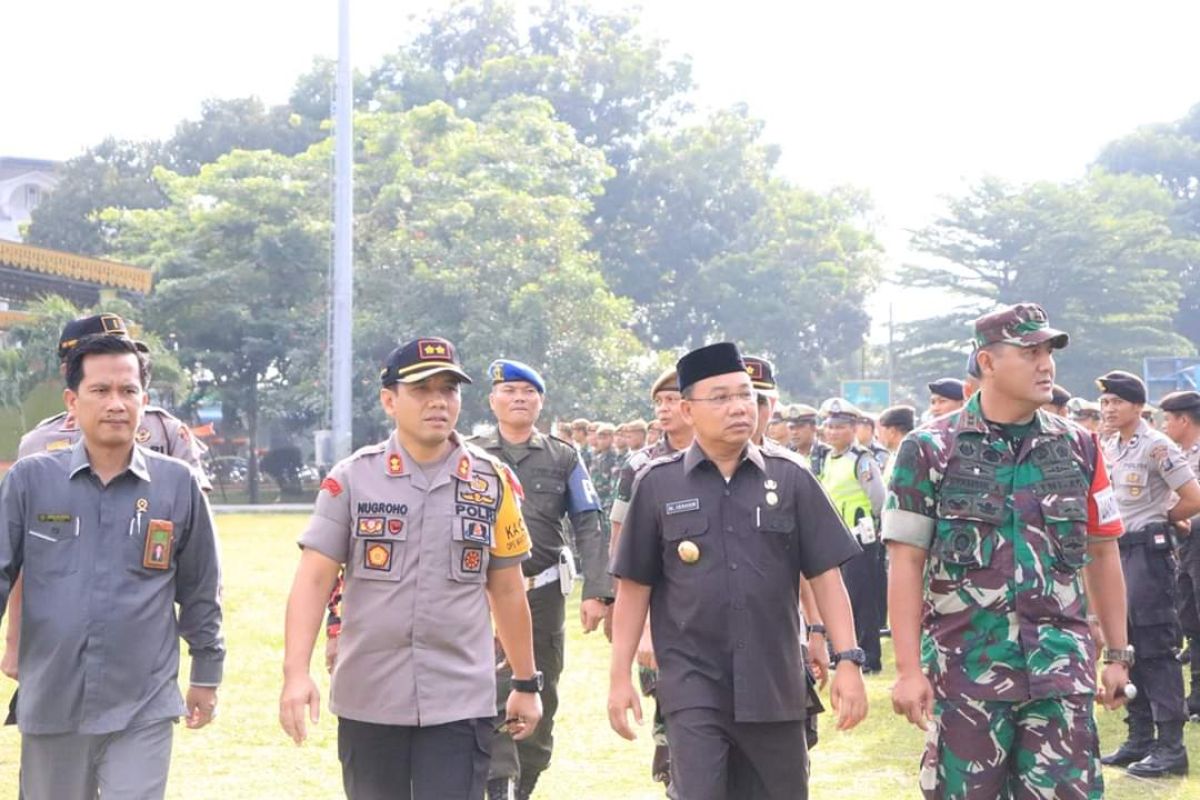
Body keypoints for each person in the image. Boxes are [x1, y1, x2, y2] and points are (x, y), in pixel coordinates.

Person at [885, 303, 1132, 798]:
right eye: (1029, 352)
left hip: (1060, 674)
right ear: (988, 362)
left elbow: (1103, 553)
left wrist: (1118, 655)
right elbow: (906, 564)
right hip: (966, 677)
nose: (1045, 364)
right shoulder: (930, 448)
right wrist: (909, 671)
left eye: (1048, 352)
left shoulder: (1080, 446)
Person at [279, 337, 542, 800]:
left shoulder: (491, 480)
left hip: (460, 698)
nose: (439, 401)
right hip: (370, 696)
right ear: (389, 400)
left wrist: (525, 682)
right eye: (422, 389)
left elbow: (507, 589)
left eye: (449, 389)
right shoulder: (352, 479)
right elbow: (314, 580)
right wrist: (295, 673)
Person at [608, 342, 867, 800]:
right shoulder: (658, 484)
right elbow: (634, 587)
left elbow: (827, 578)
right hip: (693, 686)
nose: (739, 408)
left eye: (747, 395)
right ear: (688, 409)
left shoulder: (792, 479)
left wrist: (848, 661)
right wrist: (618, 677)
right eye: (722, 397)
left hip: (775, 684)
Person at [0, 334, 224, 799]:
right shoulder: (29, 481)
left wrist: (206, 672)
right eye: (100, 391)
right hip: (54, 696)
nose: (116, 404)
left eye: (129, 391)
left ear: (145, 400)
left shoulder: (176, 485)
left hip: (142, 701)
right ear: (72, 401)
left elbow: (201, 587)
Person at [6, 313, 213, 685]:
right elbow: (25, 559)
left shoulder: (165, 429)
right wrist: (15, 639)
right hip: (58, 640)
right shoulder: (38, 447)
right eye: (100, 386)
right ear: (71, 372)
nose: (116, 401)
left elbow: (198, 537)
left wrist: (204, 649)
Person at [471, 359, 613, 800]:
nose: (519, 399)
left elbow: (589, 521)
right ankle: (498, 785)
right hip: (479, 597)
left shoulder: (563, 456)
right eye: (509, 391)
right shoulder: (470, 453)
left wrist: (598, 591)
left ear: (540, 401)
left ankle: (522, 783)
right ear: (493, 400)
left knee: (541, 694)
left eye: (528, 392)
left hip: (543, 595)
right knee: (487, 692)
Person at [1097, 369, 1200, 777]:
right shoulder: (1109, 445)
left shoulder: (1157, 446)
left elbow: (1193, 496)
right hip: (1115, 554)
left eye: (1117, 402)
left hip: (1147, 554)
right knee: (1125, 645)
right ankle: (1139, 737)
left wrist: (1164, 517)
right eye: (1105, 402)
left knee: (1155, 647)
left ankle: (1171, 747)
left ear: (1138, 407)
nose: (1108, 409)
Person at [609, 367, 695, 796]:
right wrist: (640, 628)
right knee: (676, 722)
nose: (664, 408)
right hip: (659, 614)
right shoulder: (640, 465)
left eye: (671, 398)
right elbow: (623, 550)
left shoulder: (722, 457)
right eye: (657, 401)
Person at [817, 398, 886, 673]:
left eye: (841, 426)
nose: (833, 432)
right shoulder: (828, 459)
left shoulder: (862, 460)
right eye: (830, 426)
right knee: (840, 596)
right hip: (836, 538)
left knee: (862, 598)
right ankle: (843, 652)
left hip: (860, 538)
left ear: (854, 428)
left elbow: (879, 499)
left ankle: (870, 656)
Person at [1160, 390, 1200, 720]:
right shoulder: (1176, 454)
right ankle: (1197, 695)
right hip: (1185, 544)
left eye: (1168, 419)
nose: (1164, 425)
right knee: (1190, 619)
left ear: (1184, 420)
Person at [785, 404, 831, 475]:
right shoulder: (786, 454)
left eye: (800, 427)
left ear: (814, 428)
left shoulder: (826, 454)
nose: (794, 432)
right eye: (791, 428)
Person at [876, 405, 915, 485]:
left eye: (880, 431)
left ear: (892, 432)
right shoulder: (894, 455)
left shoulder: (908, 457)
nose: (878, 436)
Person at [590, 424, 622, 516]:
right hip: (597, 502)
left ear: (612, 438)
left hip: (609, 503)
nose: (602, 441)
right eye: (599, 438)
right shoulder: (597, 458)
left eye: (605, 438)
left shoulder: (616, 458)